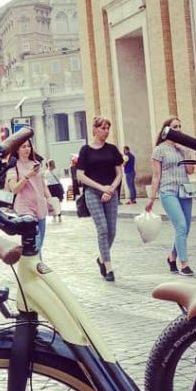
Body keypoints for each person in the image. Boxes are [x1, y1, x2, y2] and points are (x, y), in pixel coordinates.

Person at [145, 116, 196, 275]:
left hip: (185, 190)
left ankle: (172, 257)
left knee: (186, 227)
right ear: (166, 129)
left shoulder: (182, 148)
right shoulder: (159, 150)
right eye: (175, 126)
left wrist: (186, 151)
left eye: (180, 126)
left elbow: (190, 171)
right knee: (180, 225)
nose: (178, 129)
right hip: (168, 191)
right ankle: (184, 263)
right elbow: (156, 176)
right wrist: (152, 198)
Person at [76, 116, 124, 281]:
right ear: (95, 129)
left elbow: (119, 173)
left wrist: (110, 189)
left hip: (110, 191)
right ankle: (108, 268)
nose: (106, 131)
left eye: (108, 128)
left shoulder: (112, 149)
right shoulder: (86, 150)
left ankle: (101, 258)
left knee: (112, 230)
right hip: (93, 193)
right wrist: (100, 187)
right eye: (103, 128)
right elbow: (80, 175)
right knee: (102, 229)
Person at [6, 138, 51, 253]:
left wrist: (50, 199)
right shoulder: (13, 167)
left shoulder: (36, 164)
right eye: (23, 147)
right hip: (25, 209)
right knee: (35, 243)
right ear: (17, 150)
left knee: (39, 245)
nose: (27, 149)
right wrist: (27, 175)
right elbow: (15, 189)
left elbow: (42, 184)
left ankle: (32, 267)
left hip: (40, 207)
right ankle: (35, 267)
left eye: (28, 146)